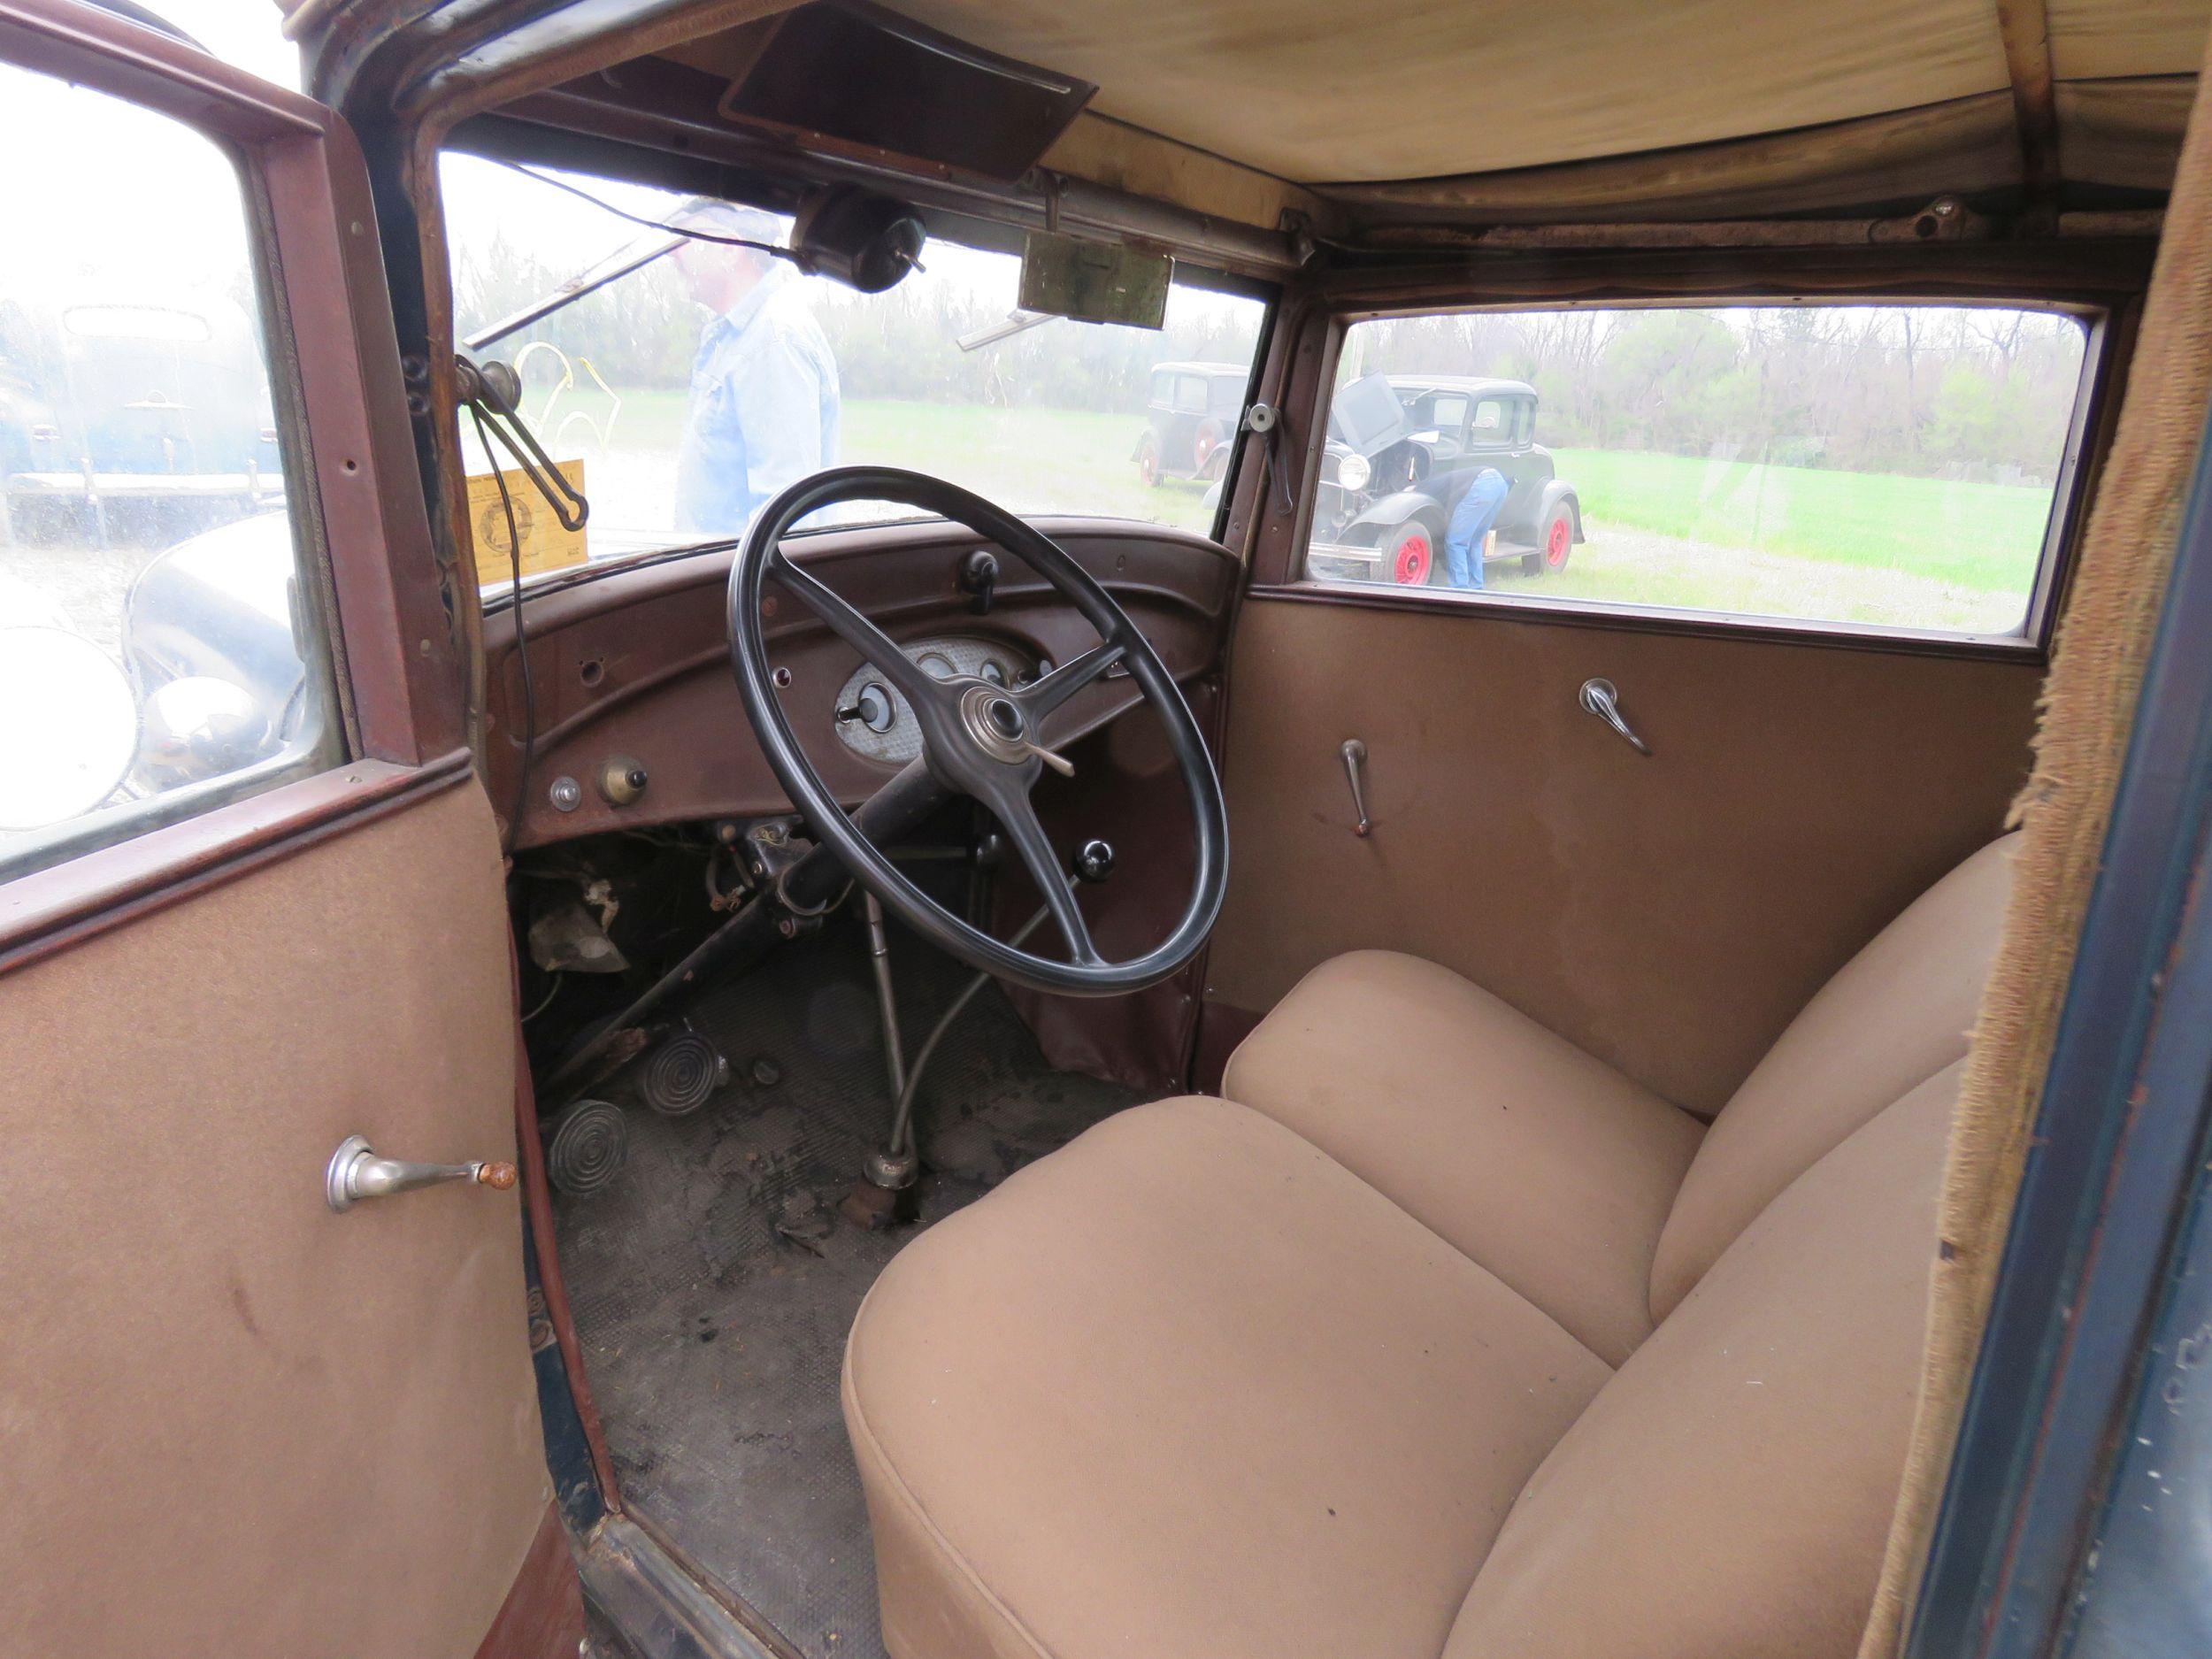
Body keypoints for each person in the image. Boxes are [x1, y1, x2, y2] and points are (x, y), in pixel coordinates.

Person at [669, 199, 841, 538]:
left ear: (731, 249)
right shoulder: (739, 336)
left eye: (684, 238)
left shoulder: (773, 341)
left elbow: (784, 519)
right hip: (713, 572)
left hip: (731, 581)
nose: (672, 255)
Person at [1442, 465, 1509, 589]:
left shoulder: (1430, 486)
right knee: (1475, 540)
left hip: (1483, 485)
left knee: (1456, 541)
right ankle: (1476, 587)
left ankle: (1460, 588)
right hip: (1501, 484)